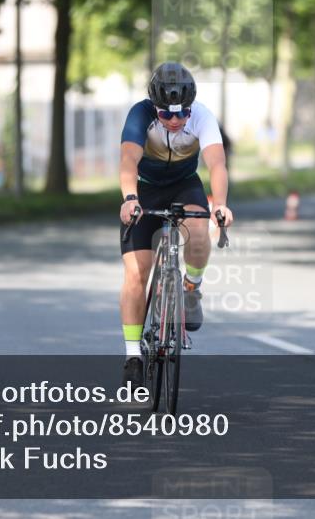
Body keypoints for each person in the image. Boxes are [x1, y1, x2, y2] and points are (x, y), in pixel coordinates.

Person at [118, 62, 234, 387]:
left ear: (190, 107)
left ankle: (191, 289)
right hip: (144, 188)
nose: (174, 120)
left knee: (198, 232)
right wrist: (129, 198)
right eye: (165, 114)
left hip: (185, 183)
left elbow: (217, 163)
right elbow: (128, 159)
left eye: (181, 113)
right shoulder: (139, 116)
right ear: (154, 107)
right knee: (136, 273)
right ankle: (132, 355)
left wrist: (221, 203)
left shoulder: (203, 116)